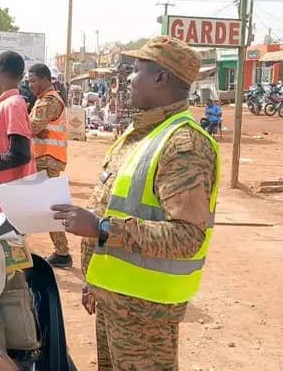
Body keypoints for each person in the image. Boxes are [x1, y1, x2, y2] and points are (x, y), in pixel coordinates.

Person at [51, 35, 220, 370]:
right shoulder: (140, 133)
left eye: (137, 69)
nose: (128, 77)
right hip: (117, 300)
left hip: (146, 313)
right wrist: (95, 282)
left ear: (161, 78)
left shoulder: (182, 144)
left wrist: (100, 227)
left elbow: (188, 236)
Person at [27, 63, 71, 267]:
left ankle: (62, 252)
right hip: (46, 158)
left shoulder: (49, 101)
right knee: (45, 206)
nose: (30, 85)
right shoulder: (45, 100)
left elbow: (33, 127)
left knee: (47, 207)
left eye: (33, 80)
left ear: (45, 79)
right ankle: (61, 252)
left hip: (47, 159)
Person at [0, 51, 36, 213]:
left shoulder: (12, 105)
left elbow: (20, 154)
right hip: (2, 194)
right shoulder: (4, 104)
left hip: (9, 199)